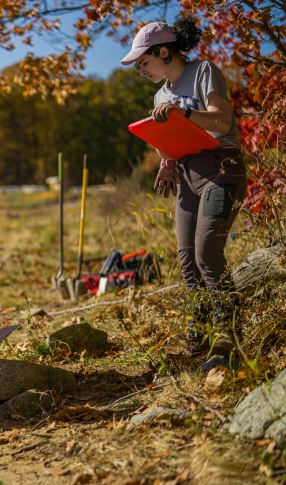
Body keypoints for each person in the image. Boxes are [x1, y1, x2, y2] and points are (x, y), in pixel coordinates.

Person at [121, 16, 247, 367]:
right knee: (188, 262)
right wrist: (167, 162)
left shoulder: (204, 71)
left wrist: (183, 112)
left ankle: (227, 338)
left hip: (222, 170)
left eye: (144, 62)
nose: (141, 70)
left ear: (164, 51)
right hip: (188, 178)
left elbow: (221, 122)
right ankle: (198, 341)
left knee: (207, 251)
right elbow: (173, 141)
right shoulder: (160, 94)